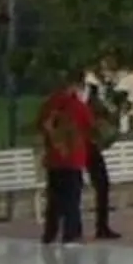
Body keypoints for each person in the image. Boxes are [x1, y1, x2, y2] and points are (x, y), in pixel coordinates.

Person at [36, 71, 95, 245]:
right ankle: (71, 234)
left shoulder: (49, 104)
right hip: (73, 158)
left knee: (54, 199)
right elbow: (90, 127)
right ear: (75, 86)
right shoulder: (78, 106)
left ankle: (50, 234)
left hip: (54, 159)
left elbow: (40, 125)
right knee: (72, 199)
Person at [84, 75, 122, 241]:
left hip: (89, 148)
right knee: (102, 185)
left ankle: (102, 226)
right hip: (89, 149)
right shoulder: (91, 105)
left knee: (102, 186)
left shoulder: (91, 104)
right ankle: (101, 226)